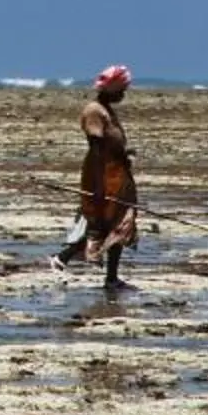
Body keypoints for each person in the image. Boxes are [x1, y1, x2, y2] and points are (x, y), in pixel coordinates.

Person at [55, 64, 139, 289]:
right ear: (110, 89)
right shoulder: (94, 111)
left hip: (117, 174)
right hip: (103, 175)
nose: (123, 94)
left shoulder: (106, 109)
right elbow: (97, 147)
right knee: (106, 223)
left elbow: (112, 144)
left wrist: (124, 154)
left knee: (119, 224)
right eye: (121, 90)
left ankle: (111, 277)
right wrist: (99, 185)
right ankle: (62, 258)